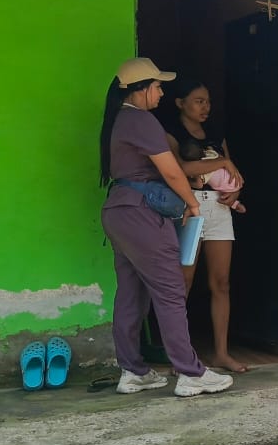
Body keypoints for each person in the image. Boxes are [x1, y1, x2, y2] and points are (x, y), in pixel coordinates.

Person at [99, 57, 234, 396]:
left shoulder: (119, 119)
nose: (161, 93)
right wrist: (192, 203)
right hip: (142, 214)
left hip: (119, 210)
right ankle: (190, 372)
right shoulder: (141, 120)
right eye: (157, 86)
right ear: (140, 89)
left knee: (131, 292)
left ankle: (133, 371)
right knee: (171, 290)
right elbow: (171, 170)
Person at [164, 79, 248, 373]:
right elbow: (181, 169)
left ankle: (221, 353)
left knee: (221, 282)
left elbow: (231, 171)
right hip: (190, 206)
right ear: (180, 103)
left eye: (207, 101)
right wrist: (221, 163)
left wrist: (235, 191)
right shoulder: (171, 133)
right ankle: (178, 355)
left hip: (220, 208)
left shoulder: (215, 134)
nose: (205, 107)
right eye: (199, 101)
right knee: (183, 282)